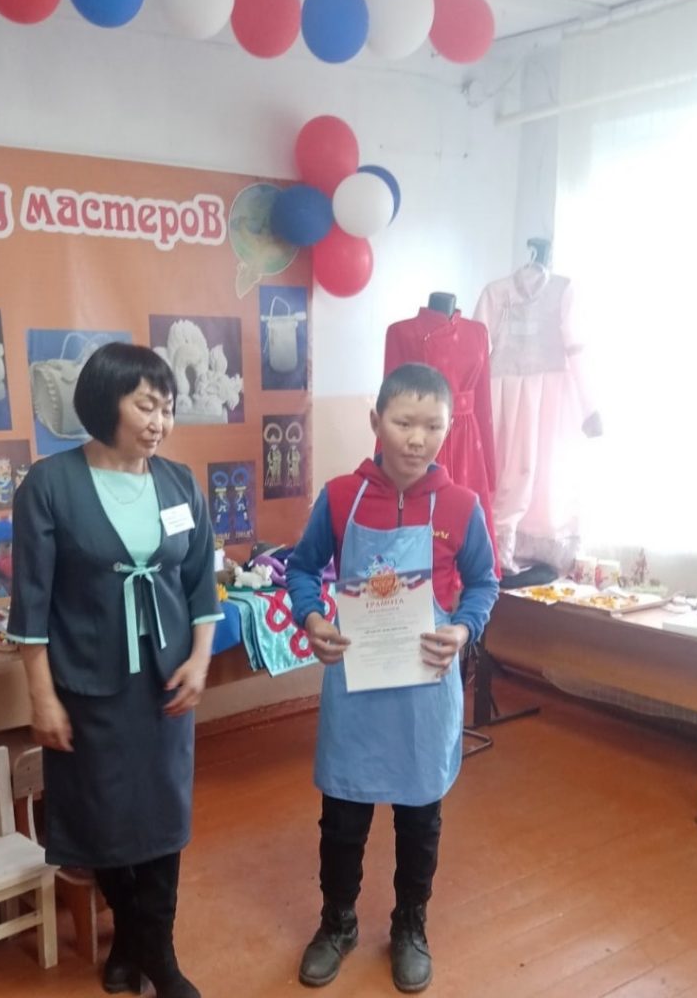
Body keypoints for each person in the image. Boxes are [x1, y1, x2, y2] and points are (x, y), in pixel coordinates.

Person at [7, 342, 221, 998]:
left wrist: (200, 660)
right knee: (101, 819)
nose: (161, 422)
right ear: (106, 403)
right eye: (147, 406)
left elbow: (200, 583)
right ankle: (138, 944)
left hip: (165, 683)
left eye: (168, 408)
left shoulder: (180, 483)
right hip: (89, 684)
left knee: (162, 818)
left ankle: (154, 954)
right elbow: (31, 605)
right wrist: (42, 697)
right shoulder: (51, 485)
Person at [286, 363, 498, 993]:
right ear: (376, 421)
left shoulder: (461, 506)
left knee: (419, 820)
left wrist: (463, 629)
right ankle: (337, 923)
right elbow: (302, 568)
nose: (417, 438)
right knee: (342, 818)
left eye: (433, 426)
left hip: (424, 691)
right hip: (355, 687)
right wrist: (312, 617)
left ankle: (410, 925)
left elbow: (484, 583)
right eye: (405, 422)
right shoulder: (340, 497)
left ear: (448, 428)